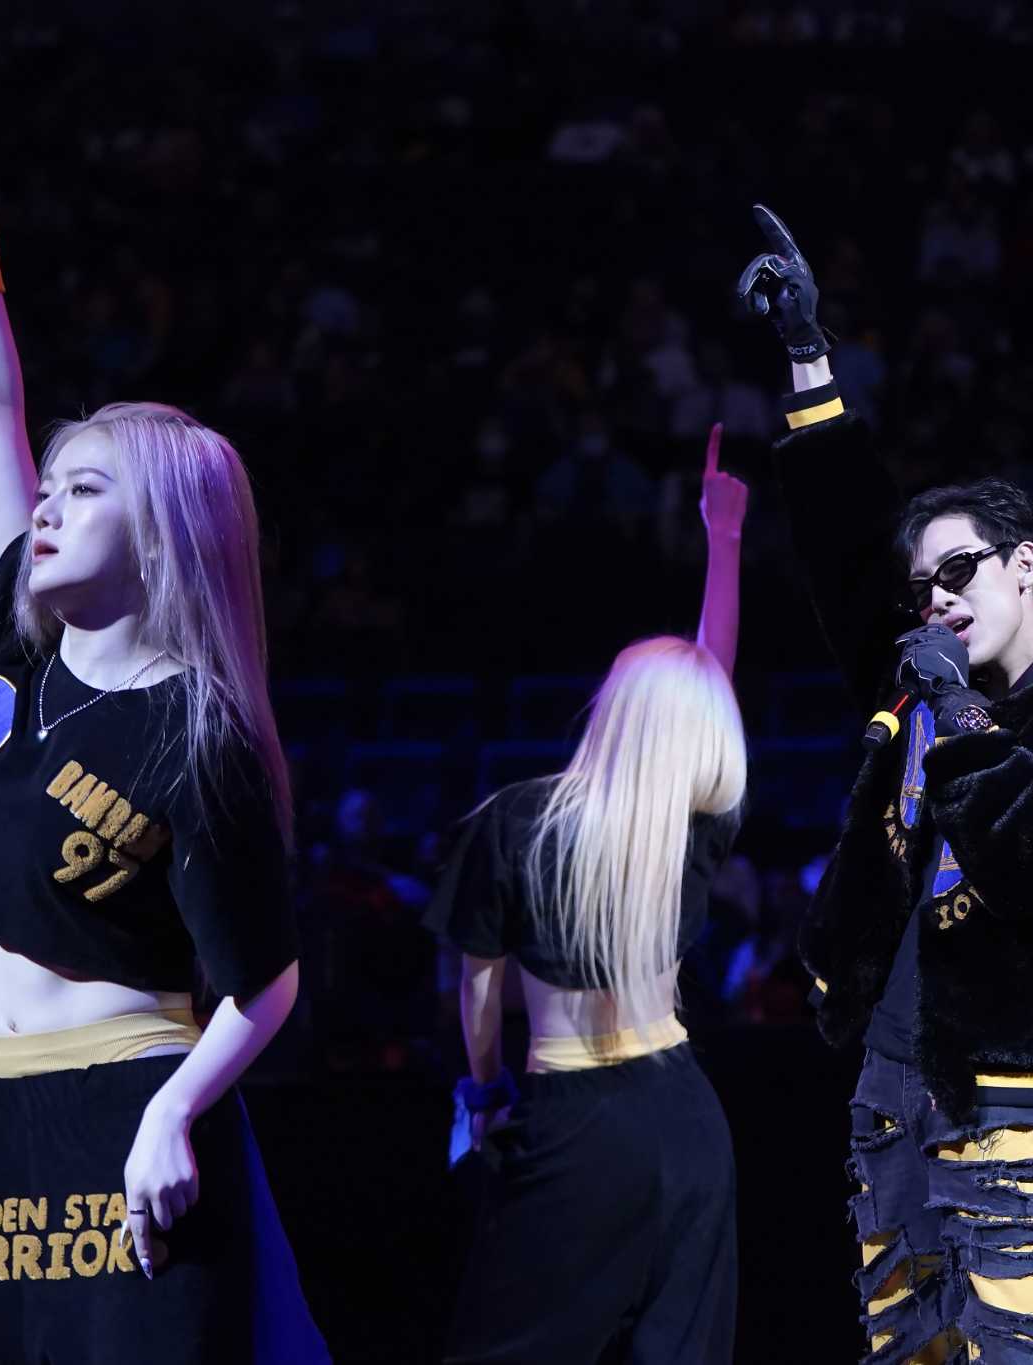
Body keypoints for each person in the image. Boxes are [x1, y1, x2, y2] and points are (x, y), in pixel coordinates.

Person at [0, 35, 326, 1364]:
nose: (52, 507)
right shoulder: (27, 647)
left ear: (166, 539)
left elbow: (271, 981)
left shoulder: (199, 731)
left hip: (126, 1105)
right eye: (53, 488)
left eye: (89, 492)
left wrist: (176, 1113)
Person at [738, 206, 1033, 1363]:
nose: (934, 598)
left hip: (1017, 1099)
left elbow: (1029, 855)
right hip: (892, 1084)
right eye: (922, 584)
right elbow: (843, 561)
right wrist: (806, 361)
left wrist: (957, 709)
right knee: (906, 1356)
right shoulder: (925, 672)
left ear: (1025, 563)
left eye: (959, 572)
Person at [424, 427, 749, 1363]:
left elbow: (479, 988)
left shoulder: (519, 821)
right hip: (689, 1124)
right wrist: (722, 541)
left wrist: (481, 1089)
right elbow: (709, 683)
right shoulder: (683, 835)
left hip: (576, 1125)